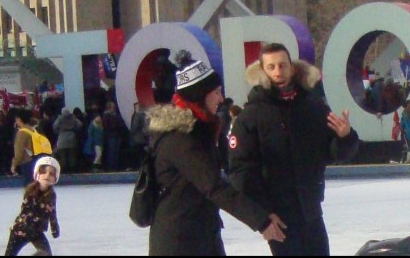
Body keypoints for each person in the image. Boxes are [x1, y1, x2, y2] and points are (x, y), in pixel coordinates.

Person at [146, 50, 285, 256]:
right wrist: (260, 220)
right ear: (199, 95)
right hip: (179, 242)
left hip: (202, 235)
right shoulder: (180, 138)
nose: (221, 98)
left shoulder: (201, 131)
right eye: (216, 92)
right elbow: (214, 186)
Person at [229, 42, 359, 256]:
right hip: (278, 218)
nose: (278, 72)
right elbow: (241, 171)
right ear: (262, 71)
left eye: (282, 65)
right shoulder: (251, 116)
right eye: (271, 67)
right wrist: (262, 215)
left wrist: (345, 137)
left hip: (311, 212)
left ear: (293, 67)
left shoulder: (313, 107)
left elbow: (333, 153)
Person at [4, 156, 61, 256]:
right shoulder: (30, 192)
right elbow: (26, 211)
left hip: (36, 231)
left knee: (46, 253)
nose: (47, 175)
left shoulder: (51, 195)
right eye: (43, 171)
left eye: (51, 173)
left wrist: (54, 227)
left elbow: (52, 212)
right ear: (37, 174)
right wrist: (28, 226)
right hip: (21, 229)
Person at [52, 108, 82, 174]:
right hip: (72, 137)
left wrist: (58, 132)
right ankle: (72, 170)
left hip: (62, 137)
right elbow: (80, 124)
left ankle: (64, 170)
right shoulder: (72, 117)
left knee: (63, 155)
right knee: (71, 155)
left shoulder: (60, 118)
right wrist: (75, 129)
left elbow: (54, 126)